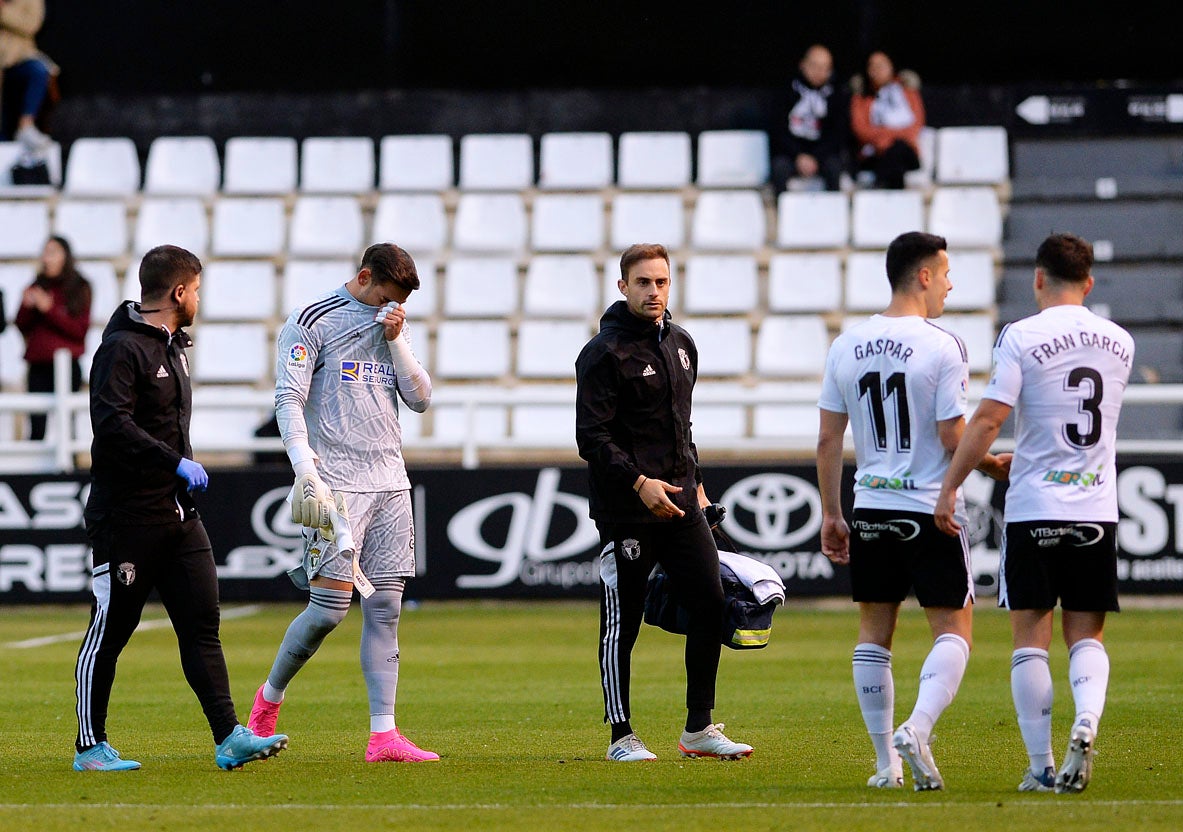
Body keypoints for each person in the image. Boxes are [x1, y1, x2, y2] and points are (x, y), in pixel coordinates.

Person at [73, 244, 288, 771]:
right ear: (178, 292)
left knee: (201, 625)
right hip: (126, 516)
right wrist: (175, 462)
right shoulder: (121, 349)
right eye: (195, 289)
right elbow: (113, 425)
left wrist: (178, 474)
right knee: (110, 631)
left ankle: (228, 736)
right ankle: (89, 746)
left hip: (177, 515)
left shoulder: (174, 345)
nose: (198, 298)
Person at [934, 233, 1133, 795]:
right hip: (1096, 507)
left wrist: (952, 486)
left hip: (1034, 506)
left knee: (1029, 640)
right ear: (1089, 282)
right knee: (1087, 637)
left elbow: (991, 420)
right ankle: (1087, 719)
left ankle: (1042, 766)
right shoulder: (1119, 341)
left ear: (1038, 279)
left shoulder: (1021, 336)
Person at [817, 231, 1010, 791]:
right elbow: (954, 434)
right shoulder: (943, 345)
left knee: (873, 634)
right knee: (955, 630)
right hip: (926, 509)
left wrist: (833, 513)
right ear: (923, 275)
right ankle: (918, 728)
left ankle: (886, 765)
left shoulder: (845, 344)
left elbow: (830, 441)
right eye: (946, 272)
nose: (951, 283)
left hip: (871, 505)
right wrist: (993, 465)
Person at [247, 242, 437, 763]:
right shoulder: (313, 319)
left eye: (399, 301)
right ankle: (268, 700)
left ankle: (384, 735)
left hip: (390, 482)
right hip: (336, 483)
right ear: (364, 275)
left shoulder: (392, 322)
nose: (391, 306)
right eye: (385, 295)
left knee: (386, 609)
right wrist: (306, 472)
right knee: (328, 611)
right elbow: (288, 398)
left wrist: (398, 342)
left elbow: (420, 399)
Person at [575, 242, 752, 763]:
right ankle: (621, 736)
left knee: (712, 602)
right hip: (627, 510)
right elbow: (593, 439)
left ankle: (698, 727)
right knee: (622, 622)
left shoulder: (681, 344)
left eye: (662, 282)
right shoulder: (602, 353)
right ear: (623, 286)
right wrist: (639, 484)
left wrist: (694, 484)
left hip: (681, 503)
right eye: (644, 282)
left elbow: (682, 428)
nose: (654, 292)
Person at [15, 235, 91, 440]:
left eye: (53, 253)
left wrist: (49, 309)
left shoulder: (80, 287)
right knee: (37, 426)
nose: (47, 259)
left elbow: (78, 330)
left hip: (68, 364)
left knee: (69, 425)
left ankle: (71, 470)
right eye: (45, 253)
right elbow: (21, 324)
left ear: (65, 256)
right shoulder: (37, 285)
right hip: (38, 365)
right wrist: (27, 305)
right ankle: (33, 471)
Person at [771, 43, 847, 192]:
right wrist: (798, 156)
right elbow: (777, 130)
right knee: (779, 167)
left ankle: (833, 213)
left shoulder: (838, 96)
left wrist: (816, 157)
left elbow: (838, 134)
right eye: (814, 66)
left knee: (834, 167)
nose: (819, 72)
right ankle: (782, 213)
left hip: (823, 154)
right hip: (791, 154)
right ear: (803, 65)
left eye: (825, 68)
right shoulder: (786, 91)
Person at [849, 50, 925, 189]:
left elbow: (915, 126)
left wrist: (887, 139)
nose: (877, 70)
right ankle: (894, 202)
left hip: (905, 151)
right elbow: (860, 130)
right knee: (894, 162)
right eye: (872, 66)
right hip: (874, 154)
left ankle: (881, 191)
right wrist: (884, 141)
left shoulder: (908, 92)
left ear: (891, 67)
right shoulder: (861, 98)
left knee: (897, 150)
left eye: (881, 65)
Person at [0, 0, 57, 152]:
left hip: (19, 58)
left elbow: (31, 25)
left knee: (38, 71)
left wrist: (3, 11)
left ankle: (26, 125)